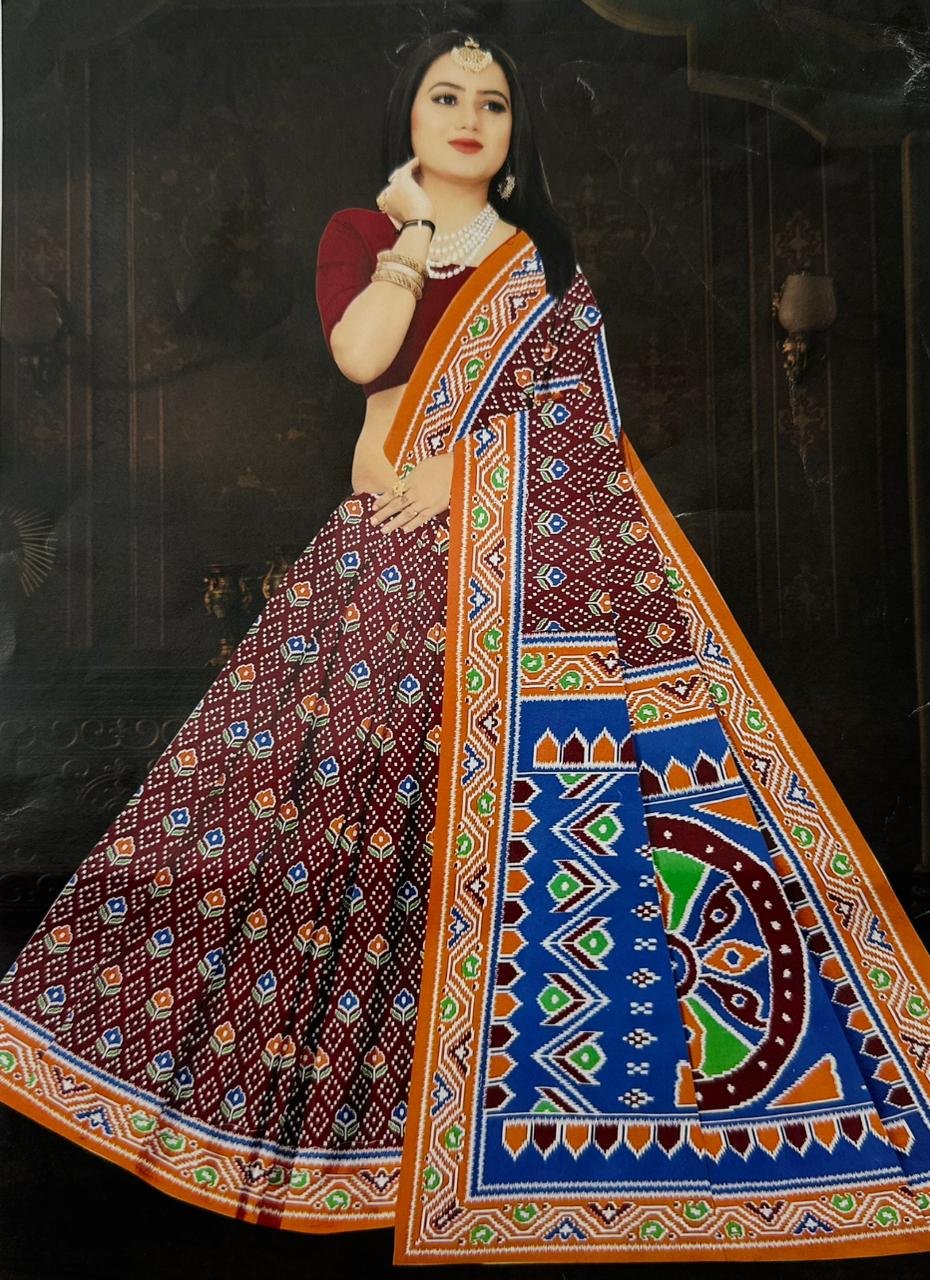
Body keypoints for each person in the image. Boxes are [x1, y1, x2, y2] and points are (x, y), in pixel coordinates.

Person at [2, 28, 930, 1266]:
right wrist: (405, 244)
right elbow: (361, 355)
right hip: (380, 583)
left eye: (493, 102)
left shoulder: (540, 267)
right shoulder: (361, 235)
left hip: (516, 586)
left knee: (477, 854)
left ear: (515, 132)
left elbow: (584, 433)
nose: (470, 116)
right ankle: (350, 1139)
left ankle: (493, 1132)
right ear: (409, 113)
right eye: (447, 95)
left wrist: (474, 472)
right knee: (337, 846)